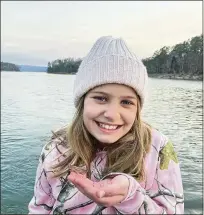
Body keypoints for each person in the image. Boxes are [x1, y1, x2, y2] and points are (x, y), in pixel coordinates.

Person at [28, 36, 184, 214]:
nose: (111, 114)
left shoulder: (159, 149)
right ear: (82, 101)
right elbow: (39, 209)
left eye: (126, 102)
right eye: (101, 98)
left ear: (138, 109)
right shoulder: (55, 148)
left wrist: (131, 196)